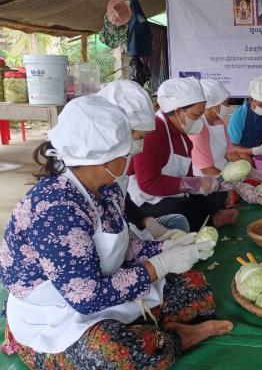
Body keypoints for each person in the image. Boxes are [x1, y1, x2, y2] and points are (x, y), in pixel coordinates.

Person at [0, 95, 232, 368]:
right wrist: (158, 266)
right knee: (115, 353)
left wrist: (167, 246)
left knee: (194, 287)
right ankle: (176, 337)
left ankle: (157, 330)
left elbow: (119, 245)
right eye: (126, 152)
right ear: (101, 160)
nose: (132, 156)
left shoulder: (106, 189)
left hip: (105, 286)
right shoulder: (55, 210)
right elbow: (86, 297)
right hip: (56, 315)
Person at [128, 77, 238, 231]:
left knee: (215, 197)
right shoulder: (153, 132)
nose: (199, 120)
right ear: (179, 111)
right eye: (196, 115)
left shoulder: (183, 134)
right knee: (181, 208)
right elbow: (148, 183)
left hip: (173, 193)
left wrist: (206, 185)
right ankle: (211, 221)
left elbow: (187, 175)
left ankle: (209, 220)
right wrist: (192, 184)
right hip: (147, 199)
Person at [97, 80, 191, 240]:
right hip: (114, 254)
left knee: (179, 222)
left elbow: (120, 199)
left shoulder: (113, 169)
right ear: (117, 133)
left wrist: (147, 222)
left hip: (126, 237)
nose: (140, 147)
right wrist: (158, 264)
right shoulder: (62, 203)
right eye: (140, 137)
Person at [190, 78, 262, 205]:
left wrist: (252, 171)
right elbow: (207, 170)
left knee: (253, 184)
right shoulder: (198, 129)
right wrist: (236, 185)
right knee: (222, 200)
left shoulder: (219, 122)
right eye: (225, 103)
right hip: (205, 180)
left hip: (225, 172)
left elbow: (231, 153)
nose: (227, 107)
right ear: (212, 104)